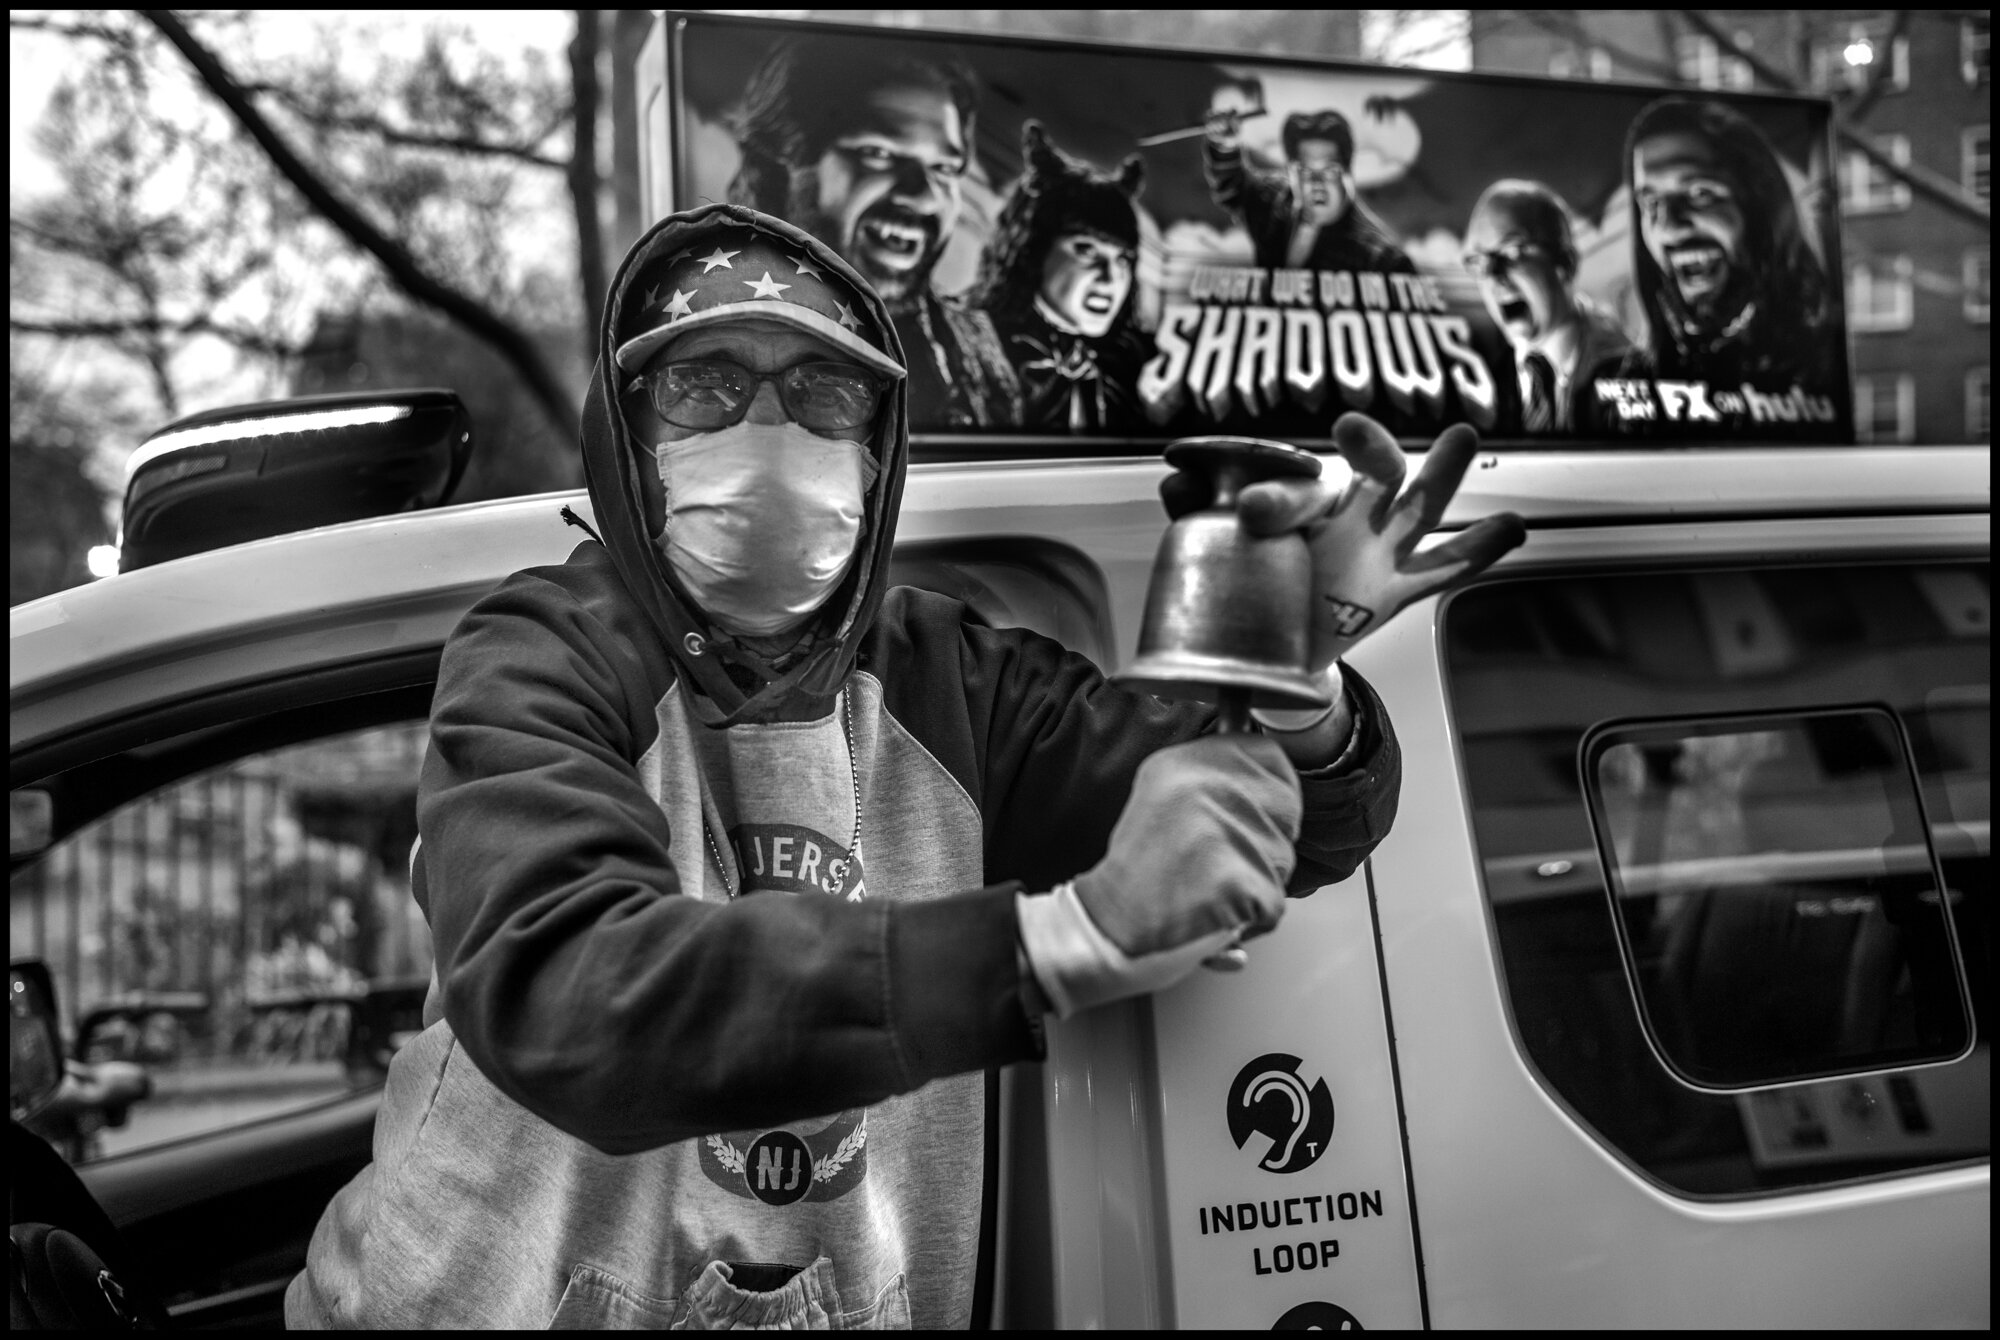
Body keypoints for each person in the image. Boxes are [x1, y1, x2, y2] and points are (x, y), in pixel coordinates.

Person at [283, 202, 1524, 1329]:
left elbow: (1256, 807)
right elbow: (567, 987)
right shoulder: (543, 651)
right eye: (706, 385)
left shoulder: (952, 682)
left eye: (825, 396)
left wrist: (1296, 667)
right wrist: (1047, 943)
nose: (768, 434)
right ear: (628, 430)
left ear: (879, 456)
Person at [728, 36, 1021, 430]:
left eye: (945, 169)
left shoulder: (978, 343)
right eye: (878, 154)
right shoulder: (716, 339)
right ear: (779, 167)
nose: (923, 197)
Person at [1617, 96, 1840, 424]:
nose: (1667, 228)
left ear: (1760, 204)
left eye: (1699, 194)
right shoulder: (1638, 377)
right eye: (1650, 203)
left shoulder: (1824, 354)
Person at [968, 121, 1153, 434]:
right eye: (1086, 249)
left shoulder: (1133, 366)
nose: (1111, 279)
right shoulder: (970, 341)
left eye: (1122, 259)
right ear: (1033, 248)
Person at [1462, 180, 1633, 436]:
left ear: (1566, 263)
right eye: (1478, 261)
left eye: (1513, 252)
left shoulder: (1629, 365)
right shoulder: (1479, 382)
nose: (1493, 277)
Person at [1204, 106, 1416, 275]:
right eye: (1305, 171)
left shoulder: (1381, 260)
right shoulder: (1271, 200)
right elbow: (1234, 187)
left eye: (1329, 170)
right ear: (1290, 172)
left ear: (1348, 172)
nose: (1316, 182)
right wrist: (1226, 145)